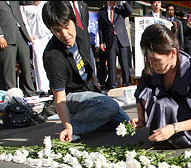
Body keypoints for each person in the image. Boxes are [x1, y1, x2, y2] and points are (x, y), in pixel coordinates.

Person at [41, 1, 129, 142]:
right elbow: (60, 99)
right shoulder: (52, 56)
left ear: (73, 21)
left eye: (66, 27)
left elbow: (88, 66)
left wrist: (98, 89)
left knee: (124, 123)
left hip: (88, 91)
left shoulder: (80, 34)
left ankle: (90, 122)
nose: (65, 34)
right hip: (70, 97)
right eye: (57, 31)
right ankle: (73, 126)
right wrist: (68, 126)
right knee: (109, 106)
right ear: (50, 30)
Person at [131, 24, 191, 148]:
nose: (152, 65)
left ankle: (171, 135)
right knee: (150, 94)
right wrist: (141, 119)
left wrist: (174, 128)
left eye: (156, 60)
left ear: (172, 53)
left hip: (186, 124)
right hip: (165, 111)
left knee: (164, 104)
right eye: (149, 60)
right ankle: (160, 132)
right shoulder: (151, 66)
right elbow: (140, 92)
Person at [0, 1, 36, 97]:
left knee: (26, 64)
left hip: (21, 33)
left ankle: (31, 92)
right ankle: (13, 95)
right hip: (6, 35)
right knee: (9, 68)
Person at [20, 1, 53, 96]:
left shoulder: (46, 3)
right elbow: (24, 21)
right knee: (39, 62)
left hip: (49, 34)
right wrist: (29, 35)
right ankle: (43, 88)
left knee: (53, 60)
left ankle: (54, 86)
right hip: (36, 38)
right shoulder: (24, 5)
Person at [98, 1, 133, 90]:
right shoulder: (102, 11)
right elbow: (101, 28)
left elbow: (130, 11)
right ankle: (112, 85)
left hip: (122, 39)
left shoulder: (120, 9)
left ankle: (127, 83)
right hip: (110, 40)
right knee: (111, 63)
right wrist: (102, 42)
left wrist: (124, 2)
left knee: (124, 63)